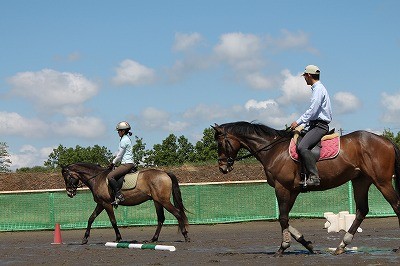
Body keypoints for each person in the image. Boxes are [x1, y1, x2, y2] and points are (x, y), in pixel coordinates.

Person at [290, 65, 332, 186]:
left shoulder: (318, 89)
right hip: (314, 125)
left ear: (308, 75)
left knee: (302, 147)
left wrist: (298, 122)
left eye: (304, 76)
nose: (304, 79)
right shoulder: (317, 88)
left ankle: (314, 177)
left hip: (319, 126)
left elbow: (313, 110)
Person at [107, 121, 136, 207]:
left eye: (119, 131)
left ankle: (119, 195)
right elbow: (119, 153)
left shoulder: (124, 140)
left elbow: (119, 155)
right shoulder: (125, 139)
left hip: (126, 164)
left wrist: (113, 163)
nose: (118, 133)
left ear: (123, 131)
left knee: (110, 176)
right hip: (127, 163)